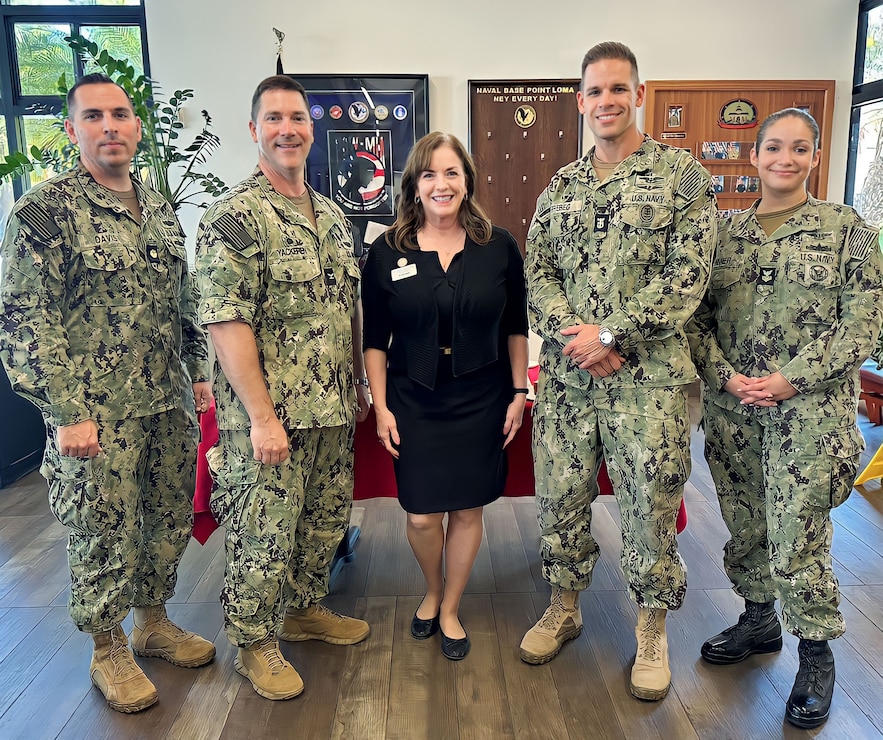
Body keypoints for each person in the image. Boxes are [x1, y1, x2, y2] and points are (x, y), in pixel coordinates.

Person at [0, 73, 216, 714]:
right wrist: (66, 411)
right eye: (93, 116)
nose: (110, 126)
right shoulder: (45, 214)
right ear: (72, 131)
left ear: (137, 127)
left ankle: (152, 622)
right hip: (94, 416)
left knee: (166, 518)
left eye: (120, 114)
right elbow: (23, 320)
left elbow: (184, 302)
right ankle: (107, 647)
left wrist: (200, 369)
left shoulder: (158, 208)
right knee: (100, 531)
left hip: (164, 405)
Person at [521, 41, 716, 700]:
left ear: (638, 94)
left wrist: (611, 334)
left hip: (648, 379)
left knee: (650, 503)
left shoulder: (680, 176)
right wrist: (579, 340)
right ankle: (563, 606)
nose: (605, 101)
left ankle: (651, 630)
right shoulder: (561, 186)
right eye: (593, 92)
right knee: (561, 496)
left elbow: (687, 275)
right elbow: (538, 269)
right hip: (571, 380)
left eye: (616, 89)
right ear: (581, 102)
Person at [687, 108, 883, 729]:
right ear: (755, 157)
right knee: (745, 521)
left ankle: (816, 653)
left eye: (800, 149)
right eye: (773, 147)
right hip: (733, 408)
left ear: (815, 158)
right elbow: (694, 318)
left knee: (799, 532)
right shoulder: (723, 236)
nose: (785, 159)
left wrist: (790, 377)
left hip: (809, 413)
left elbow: (864, 324)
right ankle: (758, 618)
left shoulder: (849, 230)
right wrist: (722, 376)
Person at [195, 75, 371, 701]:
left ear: (312, 128)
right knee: (263, 529)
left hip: (329, 408)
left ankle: (302, 610)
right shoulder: (234, 217)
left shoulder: (330, 214)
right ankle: (253, 643)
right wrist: (264, 417)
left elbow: (345, 308)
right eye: (273, 119)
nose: (287, 129)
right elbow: (226, 320)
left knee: (322, 523)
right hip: (270, 419)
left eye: (297, 117)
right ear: (254, 131)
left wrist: (358, 384)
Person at [361, 132, 528, 660]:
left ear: (467, 181)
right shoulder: (388, 251)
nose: (441, 184)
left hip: (483, 395)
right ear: (413, 186)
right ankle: (431, 589)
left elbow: (517, 325)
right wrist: (382, 404)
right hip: (415, 397)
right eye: (429, 174)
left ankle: (450, 606)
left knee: (468, 511)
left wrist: (519, 391)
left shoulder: (497, 245)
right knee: (421, 516)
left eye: (451, 172)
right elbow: (374, 339)